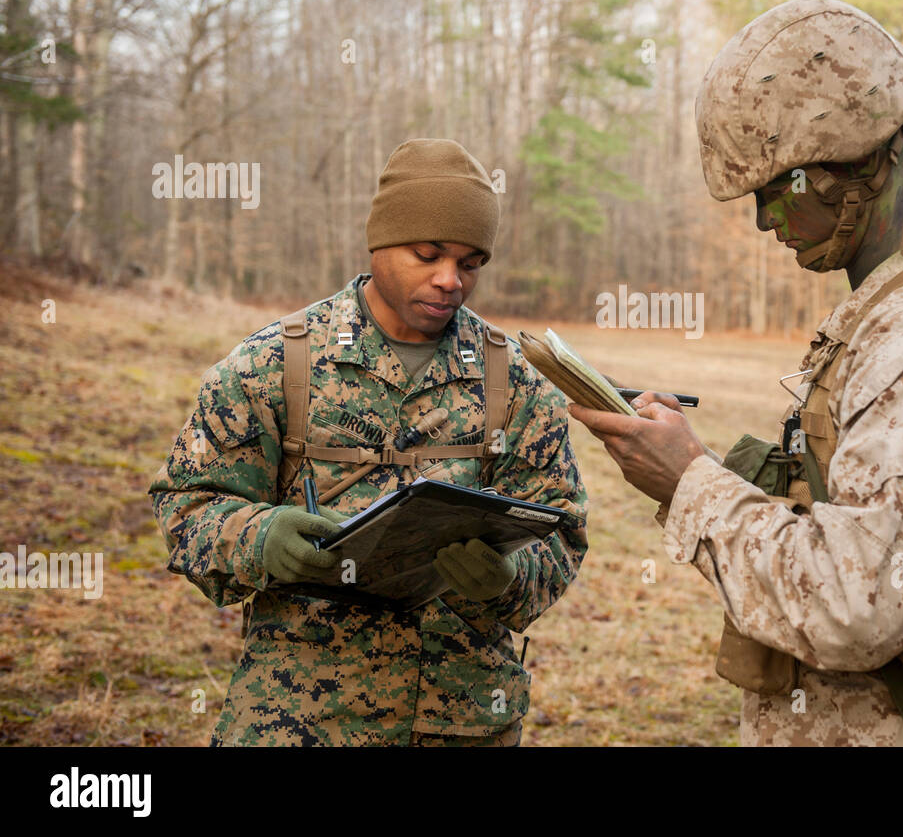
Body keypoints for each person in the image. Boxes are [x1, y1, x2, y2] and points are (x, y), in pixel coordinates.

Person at [570, 0, 903, 746]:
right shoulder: (890, 315)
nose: (765, 220)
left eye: (775, 189)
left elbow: (858, 606)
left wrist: (689, 481)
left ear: (852, 169)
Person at [149, 138, 588, 746]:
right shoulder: (272, 364)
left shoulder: (514, 384)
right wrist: (261, 537)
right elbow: (187, 508)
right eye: (427, 253)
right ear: (379, 242)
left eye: (470, 263)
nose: (449, 280)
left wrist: (508, 577)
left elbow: (561, 531)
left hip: (459, 721)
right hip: (298, 719)